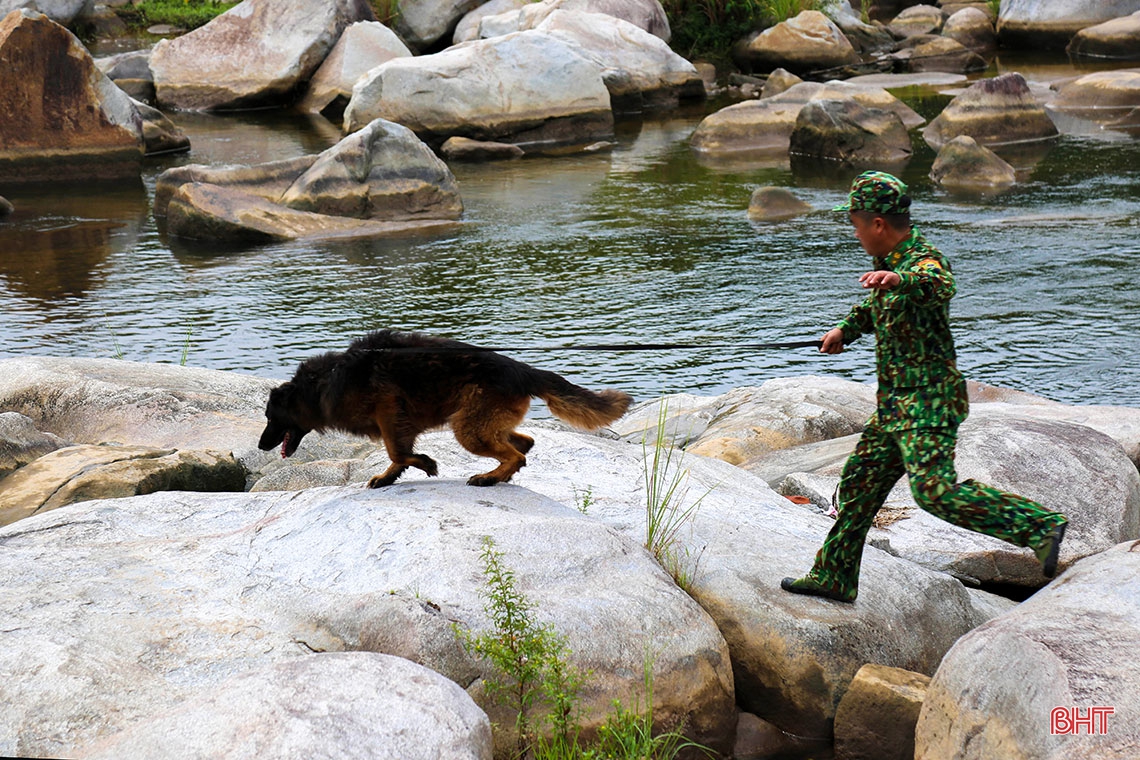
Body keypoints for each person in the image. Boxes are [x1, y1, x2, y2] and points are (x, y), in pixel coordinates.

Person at [781, 170, 1068, 603]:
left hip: (929, 404)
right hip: (895, 407)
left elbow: (937, 284)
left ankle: (1038, 526)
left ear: (878, 224)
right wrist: (846, 329)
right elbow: (875, 306)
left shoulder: (921, 261)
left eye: (856, 224)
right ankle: (834, 576)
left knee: (935, 493)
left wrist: (902, 281)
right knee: (858, 485)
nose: (854, 233)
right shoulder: (887, 264)